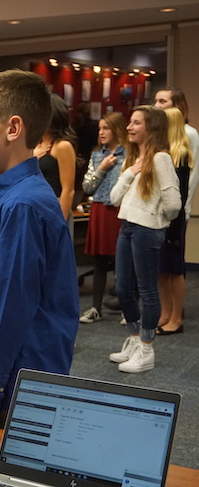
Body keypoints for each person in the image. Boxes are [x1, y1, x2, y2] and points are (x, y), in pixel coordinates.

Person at [0, 70, 79, 426]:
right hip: (10, 379)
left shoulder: (22, 206)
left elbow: (7, 313)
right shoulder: (9, 197)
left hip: (14, 386)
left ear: (12, 128)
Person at [109, 106, 180, 373]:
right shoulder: (132, 158)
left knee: (148, 289)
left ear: (151, 128)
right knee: (124, 288)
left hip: (147, 229)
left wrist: (155, 217)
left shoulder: (161, 158)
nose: (129, 127)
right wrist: (132, 171)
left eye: (136, 123)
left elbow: (173, 203)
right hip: (127, 226)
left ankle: (147, 348)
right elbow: (115, 198)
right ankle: (135, 338)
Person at [79, 112, 128, 323]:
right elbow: (87, 186)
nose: (101, 133)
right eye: (100, 129)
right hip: (99, 209)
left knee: (123, 261)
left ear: (116, 130)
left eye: (106, 128)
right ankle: (95, 308)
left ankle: (128, 309)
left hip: (120, 211)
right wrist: (101, 169)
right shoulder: (97, 155)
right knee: (99, 260)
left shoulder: (129, 154)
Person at [156, 107, 193, 335]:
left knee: (175, 272)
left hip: (174, 222)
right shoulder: (163, 152)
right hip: (160, 220)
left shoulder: (181, 154)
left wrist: (174, 230)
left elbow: (180, 195)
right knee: (161, 271)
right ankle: (165, 313)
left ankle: (176, 318)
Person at [154, 87, 199, 223]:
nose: (157, 106)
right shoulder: (155, 133)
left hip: (176, 204)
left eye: (162, 101)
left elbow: (193, 173)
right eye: (155, 101)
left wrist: (186, 208)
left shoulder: (189, 134)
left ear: (176, 106)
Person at [35, 94, 78, 237]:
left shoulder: (62, 146)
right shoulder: (36, 144)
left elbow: (68, 190)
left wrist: (58, 223)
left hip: (55, 207)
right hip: (35, 205)